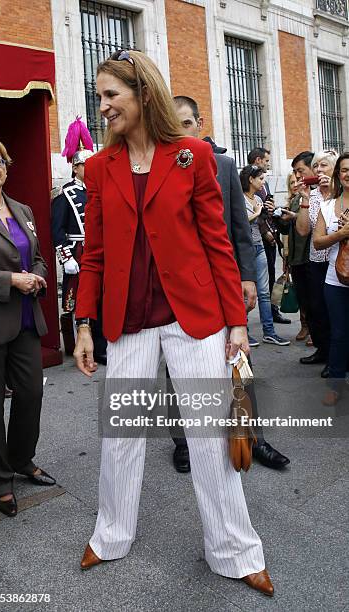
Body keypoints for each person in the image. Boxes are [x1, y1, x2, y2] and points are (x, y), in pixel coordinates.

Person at [73, 50, 274, 596]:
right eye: (99, 96)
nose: (103, 106)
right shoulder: (98, 166)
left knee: (211, 436)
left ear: (142, 94)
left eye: (111, 94)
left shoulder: (191, 156)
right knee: (122, 435)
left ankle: (235, 549)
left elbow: (217, 243)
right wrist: (83, 324)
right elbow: (93, 253)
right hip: (128, 322)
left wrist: (237, 322)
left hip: (196, 319)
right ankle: (111, 534)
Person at [171, 94, 290, 472]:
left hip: (223, 281)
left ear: (200, 124)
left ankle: (251, 434)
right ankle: (184, 440)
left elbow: (240, 227)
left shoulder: (222, 165)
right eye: (173, 127)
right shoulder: (161, 166)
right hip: (178, 289)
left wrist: (248, 277)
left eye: (187, 125)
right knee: (175, 366)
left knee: (239, 357)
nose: (181, 133)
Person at [0, 135, 55, 518]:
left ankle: (20, 458)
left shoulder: (23, 209)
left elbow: (40, 257)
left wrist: (37, 275)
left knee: (31, 394)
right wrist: (10, 281)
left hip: (26, 319)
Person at [51, 118, 107, 364]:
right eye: (86, 164)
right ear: (76, 168)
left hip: (99, 250)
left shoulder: (99, 190)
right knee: (76, 303)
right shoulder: (65, 195)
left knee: (103, 300)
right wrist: (67, 258)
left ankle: (102, 345)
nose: (91, 168)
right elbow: (57, 230)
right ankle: (76, 346)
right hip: (77, 251)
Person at [295, 150, 338, 377]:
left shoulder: (340, 193)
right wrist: (304, 198)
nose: (319, 170)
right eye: (316, 166)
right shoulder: (311, 197)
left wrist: (332, 190)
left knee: (335, 310)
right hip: (316, 259)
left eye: (324, 166)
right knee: (317, 309)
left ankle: (336, 357)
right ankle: (323, 350)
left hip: (337, 261)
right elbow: (303, 231)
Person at [313, 152, 349, 405]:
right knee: (338, 333)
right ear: (338, 174)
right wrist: (342, 233)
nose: (348, 174)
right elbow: (317, 242)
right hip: (336, 279)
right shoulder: (328, 206)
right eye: (344, 169)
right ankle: (336, 385)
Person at [240, 165, 290, 347]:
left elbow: (261, 221)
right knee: (245, 293)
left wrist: (271, 211)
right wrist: (257, 213)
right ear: (251, 180)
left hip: (259, 247)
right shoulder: (239, 198)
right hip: (245, 249)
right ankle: (241, 329)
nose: (263, 182)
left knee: (263, 292)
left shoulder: (258, 198)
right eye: (260, 178)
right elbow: (241, 221)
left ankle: (269, 332)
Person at [247, 147, 291, 325]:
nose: (268, 164)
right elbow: (254, 210)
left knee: (271, 274)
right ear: (258, 160)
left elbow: (266, 208)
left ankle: (273, 311)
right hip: (259, 237)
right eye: (266, 161)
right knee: (259, 280)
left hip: (271, 233)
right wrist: (266, 232)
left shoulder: (264, 182)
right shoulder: (247, 182)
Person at [268, 171, 311, 343]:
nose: (295, 184)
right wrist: (278, 218)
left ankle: (312, 328)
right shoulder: (291, 201)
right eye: (292, 182)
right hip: (293, 253)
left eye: (298, 181)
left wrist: (293, 218)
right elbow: (286, 232)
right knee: (301, 293)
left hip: (305, 253)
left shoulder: (306, 199)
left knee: (309, 294)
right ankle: (305, 325)